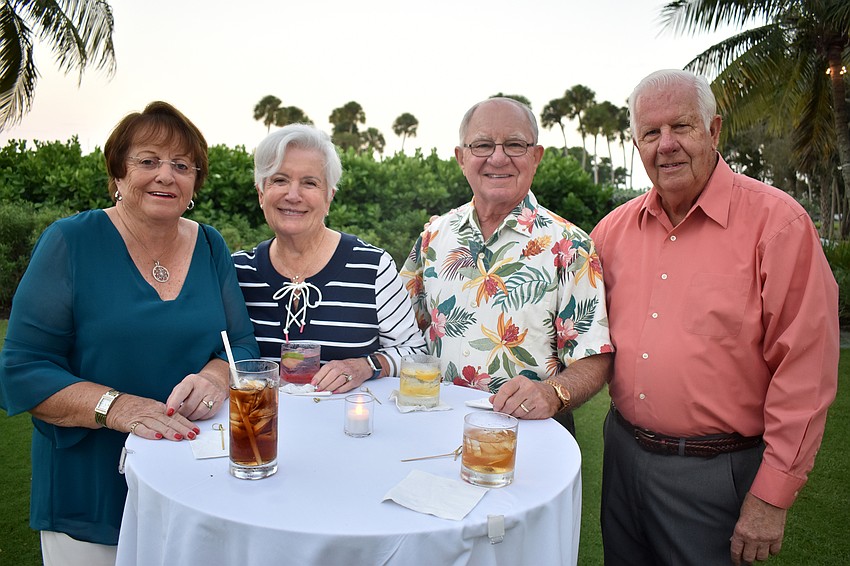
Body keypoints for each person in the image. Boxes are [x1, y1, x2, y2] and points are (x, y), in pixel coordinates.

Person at [591, 69, 839, 566]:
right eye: (651, 132)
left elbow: (806, 371)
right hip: (621, 459)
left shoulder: (778, 224)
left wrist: (771, 497)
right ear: (637, 144)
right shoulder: (611, 233)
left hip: (716, 475)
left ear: (714, 130)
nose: (666, 145)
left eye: (681, 127)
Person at [0, 101, 259, 565]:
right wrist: (117, 407)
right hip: (91, 488)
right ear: (118, 173)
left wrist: (217, 377)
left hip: (195, 481)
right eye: (148, 160)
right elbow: (22, 368)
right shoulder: (70, 242)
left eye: (182, 165)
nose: (166, 175)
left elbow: (240, 344)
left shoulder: (210, 244)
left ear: (195, 182)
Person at [401, 97, 612, 429]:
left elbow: (594, 355)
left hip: (530, 432)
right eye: (482, 145)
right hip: (434, 427)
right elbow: (400, 332)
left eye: (514, 145)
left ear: (536, 156)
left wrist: (553, 393)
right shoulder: (433, 238)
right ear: (461, 158)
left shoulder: (571, 246)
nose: (498, 158)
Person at [233, 124, 425, 392]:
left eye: (309, 183)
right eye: (280, 180)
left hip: (348, 418)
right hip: (260, 418)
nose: (293, 195)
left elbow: (415, 352)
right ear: (261, 193)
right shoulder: (237, 272)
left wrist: (366, 366)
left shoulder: (372, 267)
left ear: (329, 197)